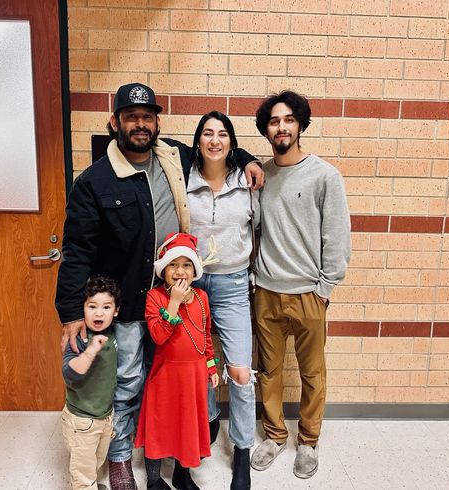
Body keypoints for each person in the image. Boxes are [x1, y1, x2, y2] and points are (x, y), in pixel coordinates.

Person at [55, 82, 263, 490]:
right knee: (130, 379)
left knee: (169, 376)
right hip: (130, 300)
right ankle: (119, 460)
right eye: (131, 117)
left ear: (156, 122)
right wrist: (68, 312)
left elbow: (217, 149)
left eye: (147, 116)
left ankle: (172, 457)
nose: (140, 124)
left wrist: (249, 158)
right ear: (114, 122)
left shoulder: (173, 156)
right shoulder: (94, 181)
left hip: (178, 294)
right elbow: (76, 249)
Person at [250, 91, 351, 479]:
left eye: (289, 119)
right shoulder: (259, 175)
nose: (281, 127)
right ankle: (274, 435)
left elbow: (337, 237)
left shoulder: (325, 175)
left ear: (301, 125)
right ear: (266, 129)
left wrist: (324, 288)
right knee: (269, 371)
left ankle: (308, 442)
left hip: (310, 293)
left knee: (313, 374)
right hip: (267, 293)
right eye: (275, 121)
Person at [187, 111, 259, 490]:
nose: (215, 140)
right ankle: (211, 416)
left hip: (232, 284)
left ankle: (242, 450)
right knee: (196, 365)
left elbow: (259, 230)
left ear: (232, 143)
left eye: (223, 134)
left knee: (241, 373)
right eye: (207, 134)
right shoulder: (183, 179)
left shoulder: (246, 182)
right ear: (197, 141)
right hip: (192, 286)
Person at [135, 232, 218, 490]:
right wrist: (174, 302)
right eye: (173, 264)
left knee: (187, 425)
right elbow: (159, 336)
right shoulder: (155, 297)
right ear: (163, 270)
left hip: (193, 377)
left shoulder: (202, 298)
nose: (179, 271)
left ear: (194, 271)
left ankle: (183, 474)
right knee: (158, 427)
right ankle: (153, 480)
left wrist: (211, 365)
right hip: (165, 376)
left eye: (186, 265)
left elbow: (205, 336)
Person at [61, 276, 120, 490]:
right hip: (82, 420)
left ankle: (91, 482)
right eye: (92, 306)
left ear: (115, 311)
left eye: (106, 307)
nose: (98, 312)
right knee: (82, 472)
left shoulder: (112, 332)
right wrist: (91, 350)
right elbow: (69, 373)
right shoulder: (79, 338)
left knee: (95, 461)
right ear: (82, 309)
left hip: (104, 415)